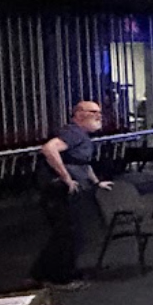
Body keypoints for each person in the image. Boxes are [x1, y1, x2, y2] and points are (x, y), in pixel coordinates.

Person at [33, 100, 110, 287]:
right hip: (59, 191)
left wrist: (96, 182)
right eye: (93, 112)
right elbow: (49, 149)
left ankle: (46, 273)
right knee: (66, 233)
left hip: (69, 191)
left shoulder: (82, 136)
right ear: (79, 114)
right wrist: (66, 177)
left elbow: (83, 163)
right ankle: (59, 277)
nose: (99, 116)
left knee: (68, 232)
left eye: (99, 112)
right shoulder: (72, 132)